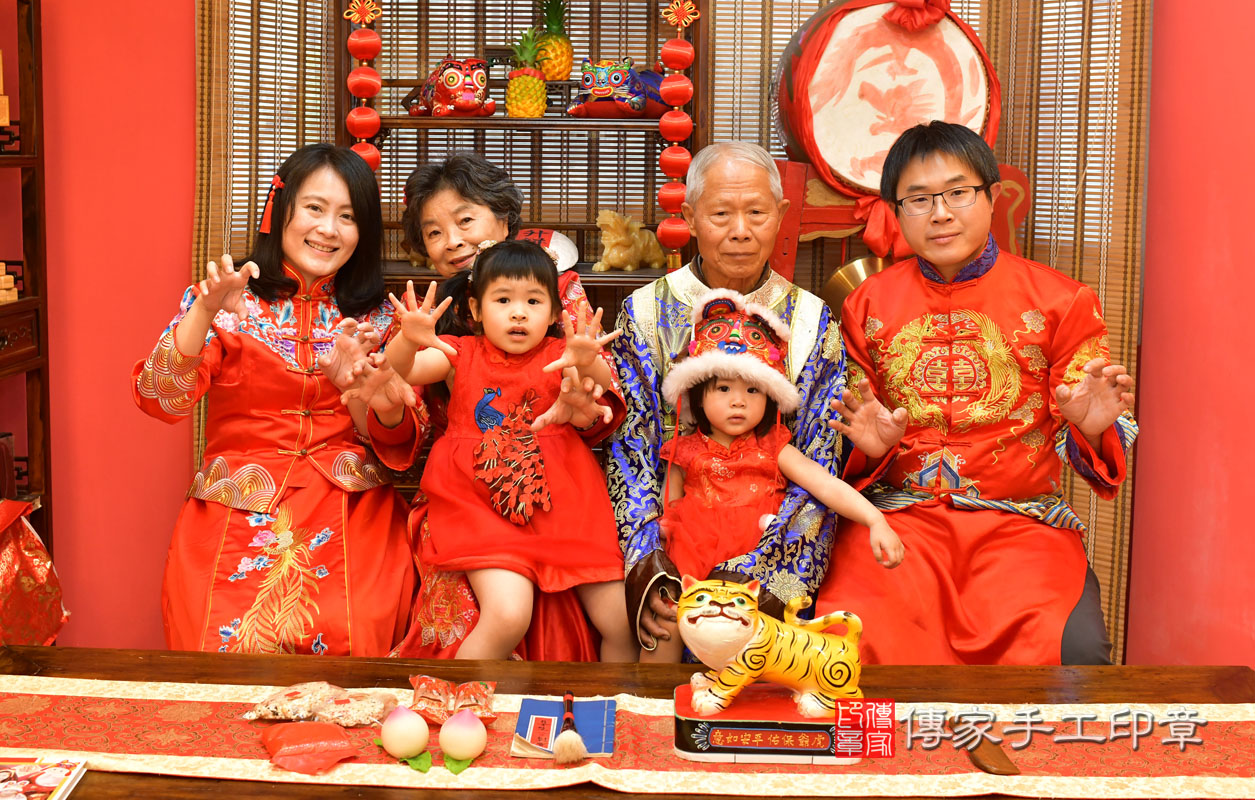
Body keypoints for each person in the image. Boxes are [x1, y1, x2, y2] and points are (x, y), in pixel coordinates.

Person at [816, 121, 1138, 665]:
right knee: (845, 641)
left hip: (1021, 523)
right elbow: (847, 437)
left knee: (1073, 649)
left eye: (957, 193)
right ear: (896, 214)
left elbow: (1100, 461)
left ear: (992, 198)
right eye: (918, 199)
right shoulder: (865, 305)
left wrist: (1090, 425)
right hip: (898, 522)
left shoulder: (1062, 301)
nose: (940, 213)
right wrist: (869, 448)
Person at [133, 143, 417, 655]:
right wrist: (203, 312)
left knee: (354, 632)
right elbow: (161, 400)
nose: (328, 229)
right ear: (278, 211)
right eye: (314, 208)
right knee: (222, 644)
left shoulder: (382, 319)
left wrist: (378, 400)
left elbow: (401, 443)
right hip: (234, 508)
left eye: (348, 216)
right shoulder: (225, 303)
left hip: (355, 513)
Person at [607, 141, 874, 654]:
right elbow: (633, 450)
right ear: (688, 217)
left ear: (780, 214)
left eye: (755, 212)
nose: (740, 231)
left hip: (774, 541)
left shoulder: (813, 321)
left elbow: (822, 458)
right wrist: (646, 560)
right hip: (675, 540)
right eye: (721, 213)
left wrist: (769, 574)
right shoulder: (643, 312)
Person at [374, 152, 623, 660]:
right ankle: (455, 705)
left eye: (465, 220)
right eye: (434, 233)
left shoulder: (558, 294)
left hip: (558, 487)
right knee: (497, 613)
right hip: (470, 489)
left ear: (504, 221)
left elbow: (599, 388)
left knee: (614, 617)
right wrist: (403, 348)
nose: (453, 240)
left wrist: (583, 389)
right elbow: (402, 386)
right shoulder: (434, 316)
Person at [641, 290, 903, 663]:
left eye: (753, 389)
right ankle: (650, 707)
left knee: (760, 645)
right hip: (690, 554)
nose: (739, 400)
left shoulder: (774, 447)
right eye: (724, 389)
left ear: (769, 399)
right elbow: (666, 512)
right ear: (698, 395)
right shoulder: (684, 450)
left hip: (758, 557)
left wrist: (875, 519)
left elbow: (824, 484)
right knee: (667, 623)